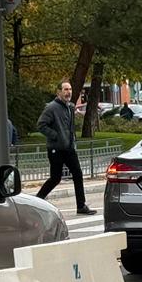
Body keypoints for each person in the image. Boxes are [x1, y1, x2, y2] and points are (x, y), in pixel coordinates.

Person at [35, 80, 94, 215]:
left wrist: (71, 139)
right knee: (55, 178)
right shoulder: (51, 108)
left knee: (78, 174)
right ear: (59, 92)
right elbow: (41, 125)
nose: (68, 92)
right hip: (56, 149)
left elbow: (70, 127)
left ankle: (81, 206)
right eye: (65, 89)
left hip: (69, 147)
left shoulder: (70, 107)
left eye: (70, 89)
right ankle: (38, 200)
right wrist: (55, 136)